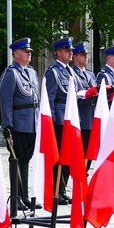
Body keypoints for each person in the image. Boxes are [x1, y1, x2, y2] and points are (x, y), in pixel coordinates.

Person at [0, 37, 40, 211]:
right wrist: (7, 125)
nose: (29, 54)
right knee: (16, 158)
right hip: (18, 123)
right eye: (25, 52)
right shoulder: (11, 73)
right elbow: (6, 100)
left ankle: (24, 196)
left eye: (29, 52)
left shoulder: (31, 72)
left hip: (32, 122)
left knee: (26, 159)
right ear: (16, 54)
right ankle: (15, 197)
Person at [43, 36, 76, 205]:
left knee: (68, 157)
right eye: (67, 50)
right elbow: (49, 100)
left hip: (71, 120)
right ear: (58, 52)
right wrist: (53, 123)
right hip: (59, 121)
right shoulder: (53, 72)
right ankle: (56, 189)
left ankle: (63, 188)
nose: (71, 53)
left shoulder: (71, 71)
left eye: (71, 50)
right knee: (59, 158)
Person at [70, 42, 97, 161]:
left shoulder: (90, 74)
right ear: (75, 57)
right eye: (83, 54)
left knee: (89, 152)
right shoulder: (72, 73)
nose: (86, 56)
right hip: (81, 116)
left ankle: (85, 175)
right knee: (80, 151)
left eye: (86, 54)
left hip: (92, 117)